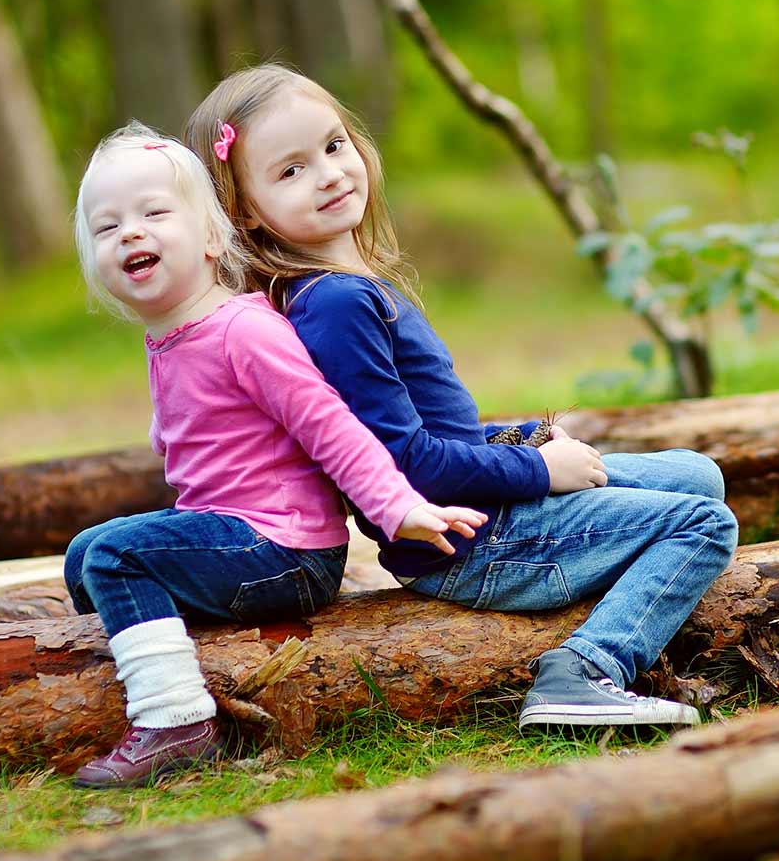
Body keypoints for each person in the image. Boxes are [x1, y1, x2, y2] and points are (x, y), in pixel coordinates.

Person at [185, 66, 738, 730]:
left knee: (698, 476)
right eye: (291, 171)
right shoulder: (335, 305)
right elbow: (403, 465)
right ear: (245, 211)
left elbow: (433, 425)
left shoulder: (347, 285)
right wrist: (539, 472)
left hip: (482, 505)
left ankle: (612, 557)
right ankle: (586, 668)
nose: (329, 174)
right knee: (704, 524)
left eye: (333, 147)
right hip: (472, 542)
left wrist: (525, 437)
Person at [64, 123, 487, 787]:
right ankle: (152, 652)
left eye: (153, 214)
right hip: (239, 536)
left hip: (286, 551)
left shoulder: (243, 329)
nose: (130, 233)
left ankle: (176, 723)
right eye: (106, 226)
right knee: (87, 554)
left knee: (117, 555)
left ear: (210, 239)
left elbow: (330, 427)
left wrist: (397, 505)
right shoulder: (172, 337)